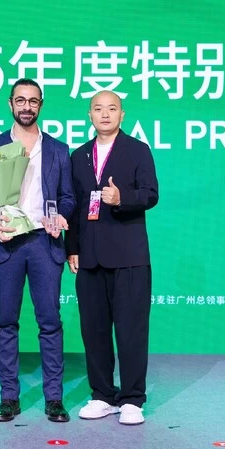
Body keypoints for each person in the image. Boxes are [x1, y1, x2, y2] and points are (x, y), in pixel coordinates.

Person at [0, 78, 76, 423]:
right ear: (10, 104)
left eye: (33, 101)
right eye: (20, 100)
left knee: (50, 322)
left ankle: (54, 398)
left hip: (45, 242)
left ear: (40, 105)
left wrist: (60, 214)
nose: (27, 106)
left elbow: (68, 197)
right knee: (6, 322)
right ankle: (8, 397)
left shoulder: (58, 149)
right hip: (6, 244)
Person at [66, 90, 159, 425]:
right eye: (98, 108)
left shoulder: (137, 150)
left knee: (132, 330)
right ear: (89, 115)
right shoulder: (79, 156)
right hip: (89, 257)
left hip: (129, 256)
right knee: (94, 331)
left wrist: (122, 198)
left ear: (122, 115)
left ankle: (132, 399)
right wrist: (72, 248)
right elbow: (74, 205)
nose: (104, 114)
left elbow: (151, 194)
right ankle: (102, 395)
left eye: (112, 108)